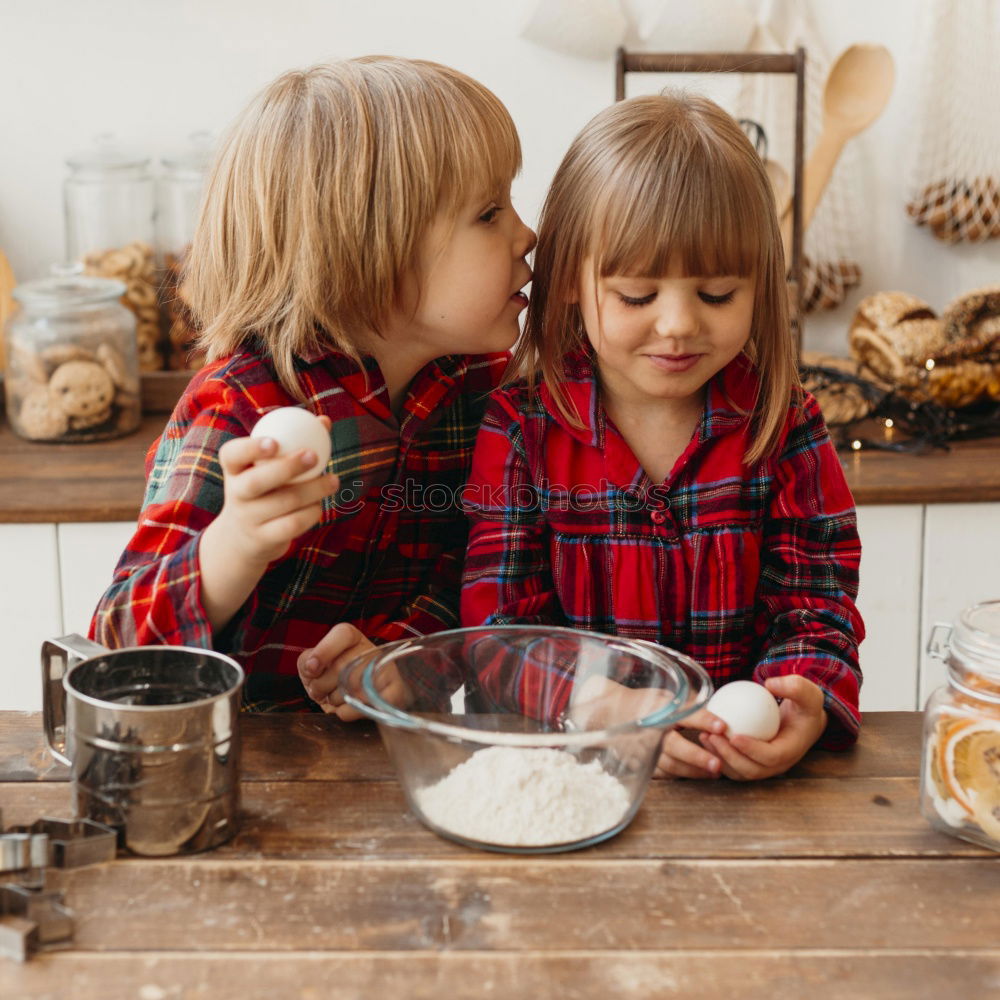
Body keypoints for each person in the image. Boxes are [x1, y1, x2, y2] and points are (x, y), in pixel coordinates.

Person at [91, 57, 536, 711]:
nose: (528, 234)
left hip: (381, 764)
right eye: (490, 213)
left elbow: (469, 571)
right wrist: (237, 542)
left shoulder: (482, 394)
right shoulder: (242, 403)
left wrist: (401, 655)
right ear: (368, 250)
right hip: (241, 755)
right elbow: (119, 641)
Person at [460, 92, 864, 780]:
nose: (678, 324)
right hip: (571, 775)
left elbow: (817, 601)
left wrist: (805, 697)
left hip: (744, 792)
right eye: (637, 296)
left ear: (759, 285)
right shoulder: (520, 427)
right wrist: (598, 703)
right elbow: (496, 634)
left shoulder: (785, 422)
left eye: (717, 295)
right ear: (567, 284)